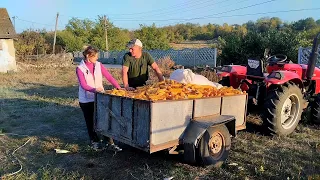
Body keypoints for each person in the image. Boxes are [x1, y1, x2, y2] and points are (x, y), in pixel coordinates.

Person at [76, 46, 122, 151]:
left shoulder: (98, 65)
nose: (97, 58)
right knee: (90, 121)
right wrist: (95, 89)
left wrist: (118, 87)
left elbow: (109, 77)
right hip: (86, 100)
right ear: (88, 56)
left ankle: (109, 141)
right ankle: (94, 141)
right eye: (95, 56)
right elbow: (83, 85)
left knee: (104, 119)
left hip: (100, 97)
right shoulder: (80, 68)